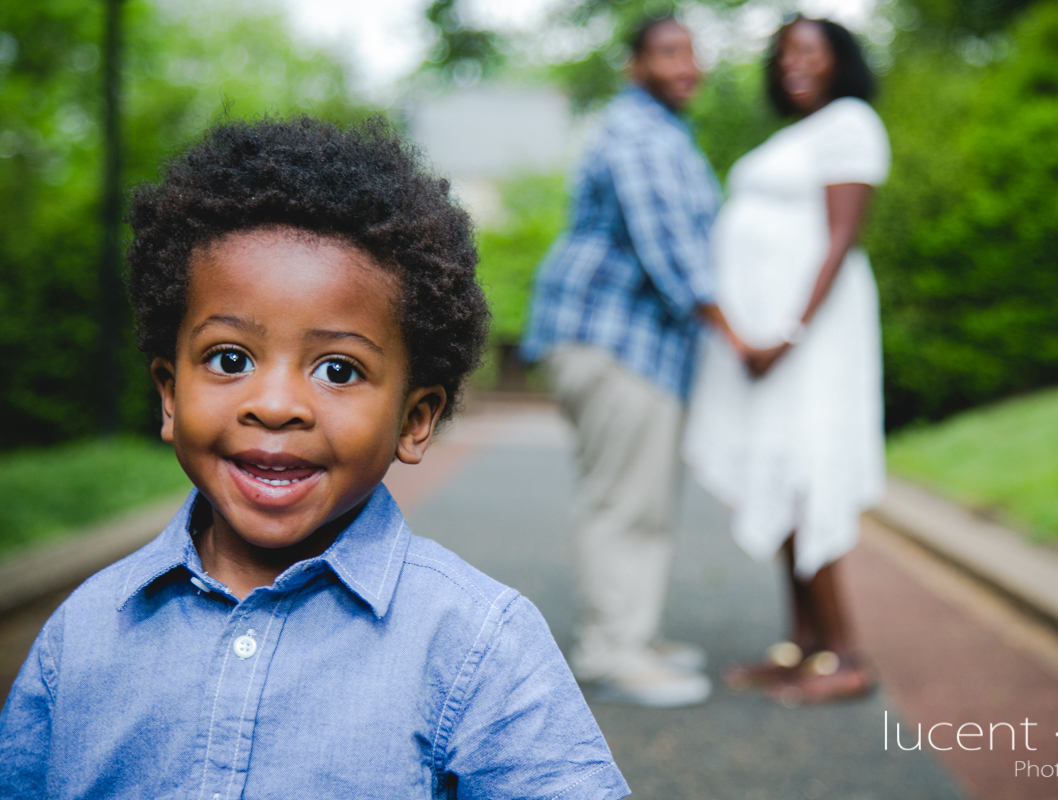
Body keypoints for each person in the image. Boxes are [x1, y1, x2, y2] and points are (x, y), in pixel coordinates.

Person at [0, 117, 630, 800]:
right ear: (170, 395)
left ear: (415, 420)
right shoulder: (85, 633)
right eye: (229, 359)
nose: (275, 405)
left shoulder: (476, 642)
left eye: (337, 370)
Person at [522, 17, 747, 708]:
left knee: (642, 497)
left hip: (638, 343)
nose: (688, 65)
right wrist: (740, 336)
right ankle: (610, 650)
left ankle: (633, 634)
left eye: (692, 52)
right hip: (612, 337)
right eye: (669, 52)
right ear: (636, 65)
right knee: (624, 501)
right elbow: (672, 247)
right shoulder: (638, 134)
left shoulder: (666, 132)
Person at [683, 17, 890, 705]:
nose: (793, 63)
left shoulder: (851, 124)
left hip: (810, 340)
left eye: (810, 50)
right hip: (766, 342)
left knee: (808, 473)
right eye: (784, 53)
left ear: (842, 61)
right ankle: (803, 645)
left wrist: (790, 331)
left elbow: (838, 239)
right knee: (777, 470)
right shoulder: (799, 135)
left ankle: (844, 657)